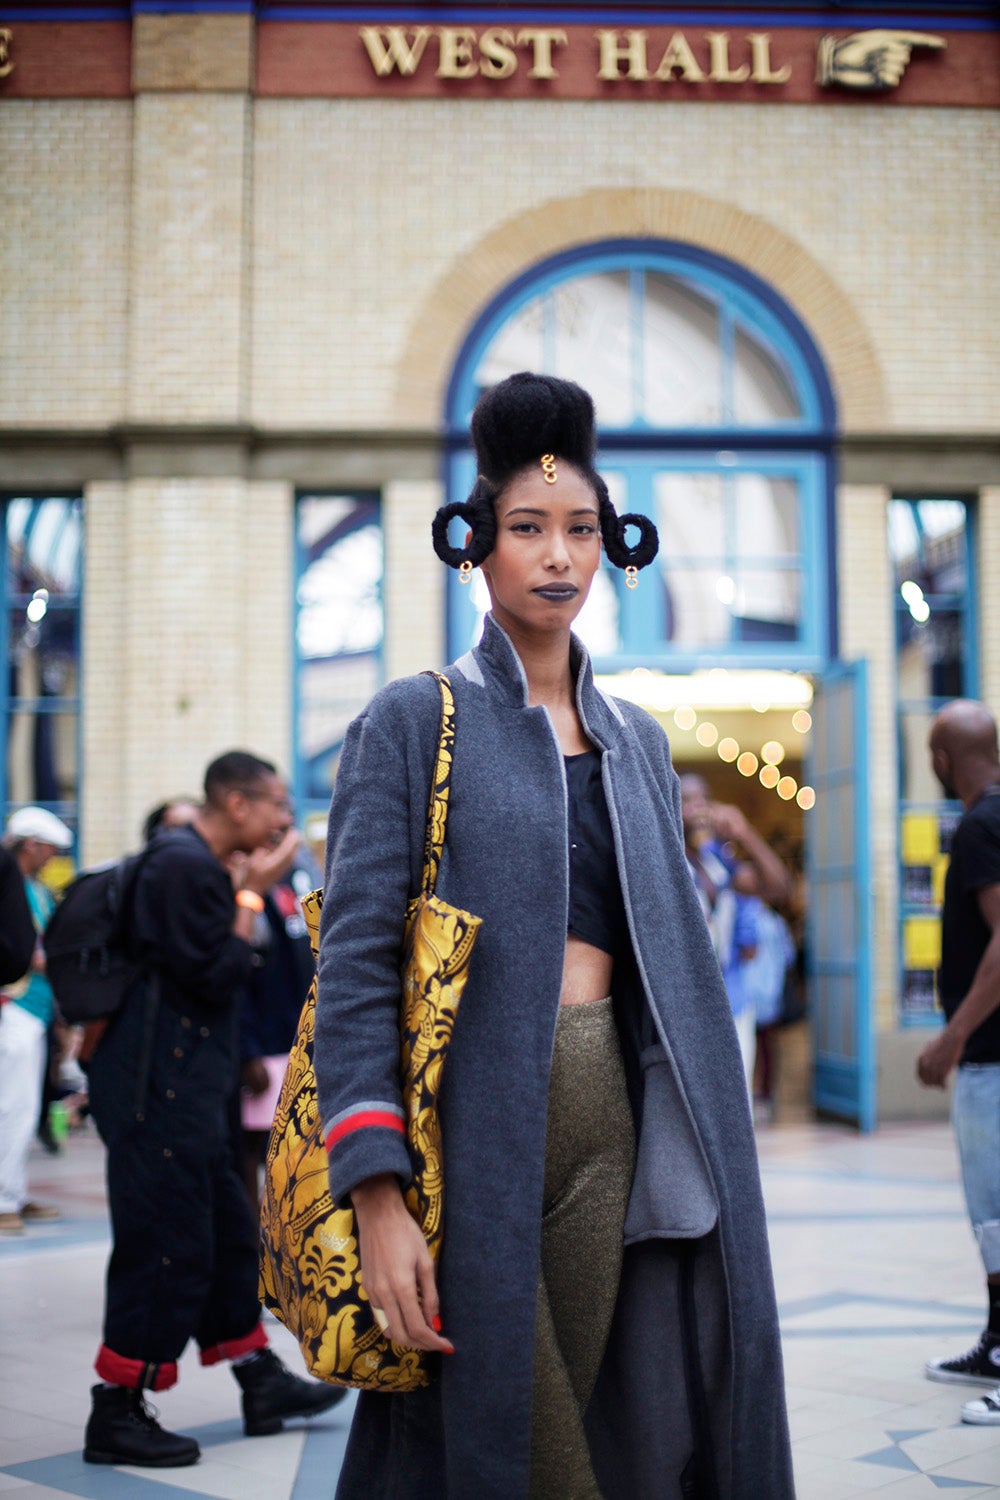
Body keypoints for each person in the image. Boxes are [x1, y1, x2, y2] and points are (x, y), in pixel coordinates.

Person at [313, 372, 793, 1498]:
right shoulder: (414, 718)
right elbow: (355, 963)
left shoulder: (636, 741)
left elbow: (674, 965)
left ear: (611, 545)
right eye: (527, 527)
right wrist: (374, 1189)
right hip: (464, 1132)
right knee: (508, 1433)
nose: (558, 555)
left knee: (579, 1416)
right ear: (477, 545)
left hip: (607, 1125)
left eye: (580, 528)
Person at [84, 751, 344, 1468]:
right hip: (158, 1097)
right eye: (277, 805)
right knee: (166, 1246)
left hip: (191, 1092)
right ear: (237, 805)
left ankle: (259, 1379)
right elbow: (215, 975)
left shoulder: (195, 866)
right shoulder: (185, 867)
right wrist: (251, 895)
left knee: (228, 1233)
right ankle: (117, 1408)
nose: (285, 819)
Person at [917, 700, 1000, 1425]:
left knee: (998, 1213)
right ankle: (997, 1344)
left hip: (992, 1057)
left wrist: (952, 1037)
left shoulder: (979, 825)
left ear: (943, 762)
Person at [680, 776, 790, 1095]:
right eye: (687, 801)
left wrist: (745, 833)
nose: (698, 809)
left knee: (735, 1099)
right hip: (686, 1008)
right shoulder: (665, 861)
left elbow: (779, 887)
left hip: (733, 1002)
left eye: (704, 800)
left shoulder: (718, 861)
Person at [0, 806, 74, 1234]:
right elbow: (24, 949)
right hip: (17, 1005)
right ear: (29, 845)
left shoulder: (38, 891)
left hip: (40, 1009)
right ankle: (5, 1198)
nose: (52, 857)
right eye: (48, 848)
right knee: (13, 1105)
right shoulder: (12, 887)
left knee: (26, 1107)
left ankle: (14, 1189)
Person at [238, 858, 316, 1206]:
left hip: (295, 1038)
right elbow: (240, 977)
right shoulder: (248, 882)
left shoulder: (296, 874)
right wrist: (248, 1050)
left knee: (293, 1149)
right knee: (254, 1148)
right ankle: (251, 1231)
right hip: (263, 1044)